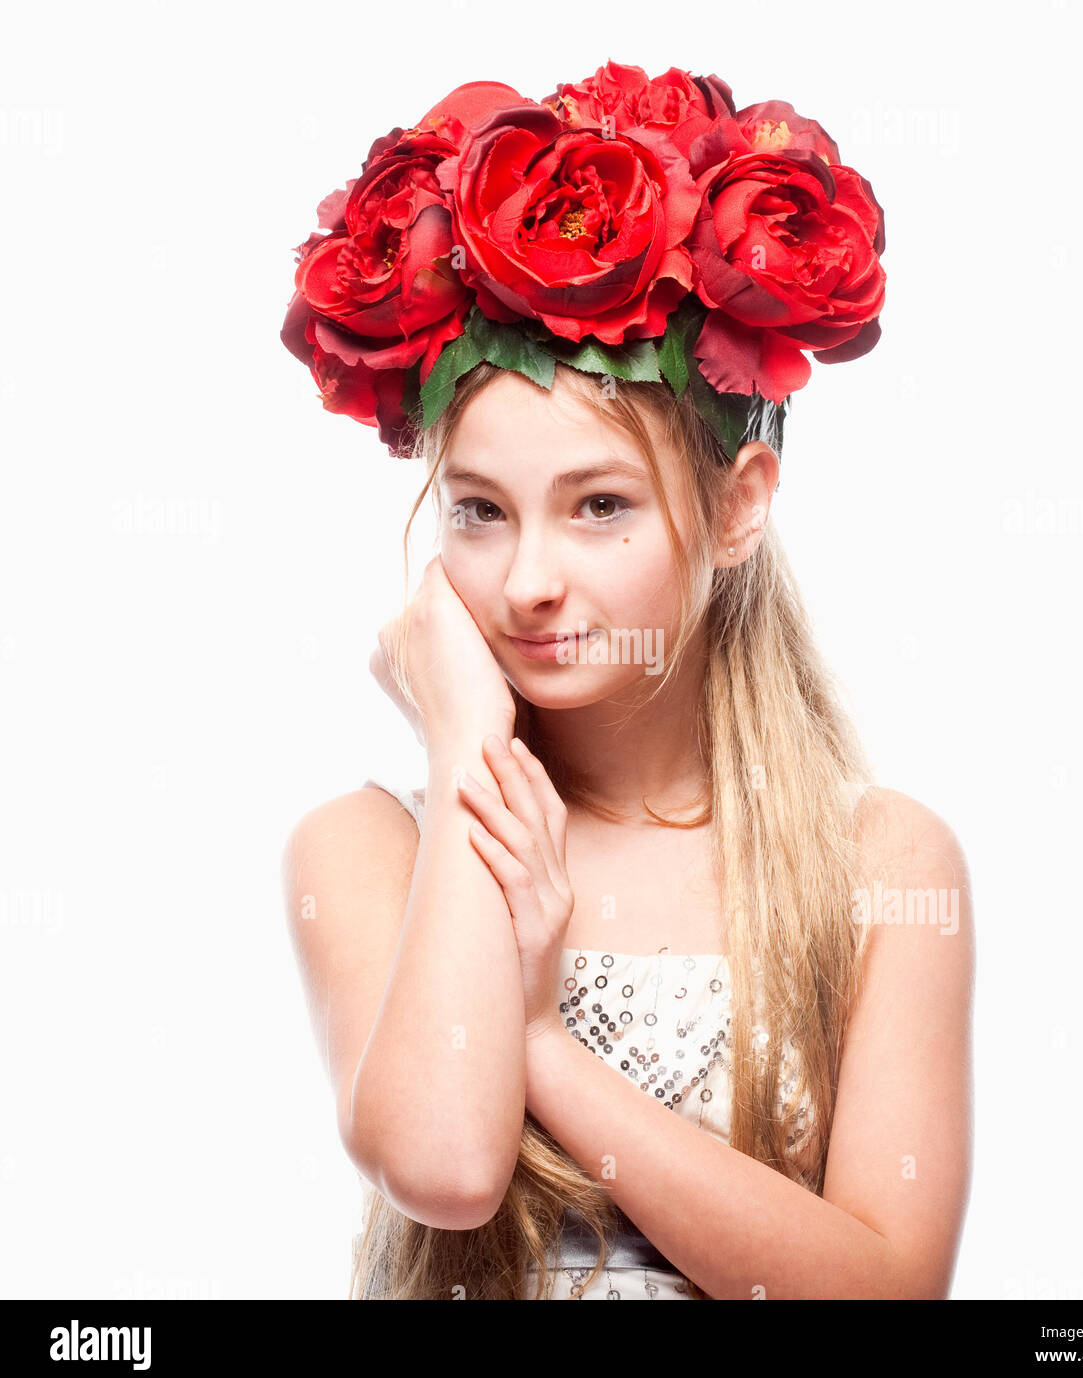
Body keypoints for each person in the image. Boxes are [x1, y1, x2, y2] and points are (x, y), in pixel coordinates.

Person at [279, 61, 974, 1300]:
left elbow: (884, 1289)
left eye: (598, 506)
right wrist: (465, 744)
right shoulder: (368, 850)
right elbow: (445, 1166)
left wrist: (539, 1042)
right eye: (479, 511)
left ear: (735, 508)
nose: (527, 581)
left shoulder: (877, 864)